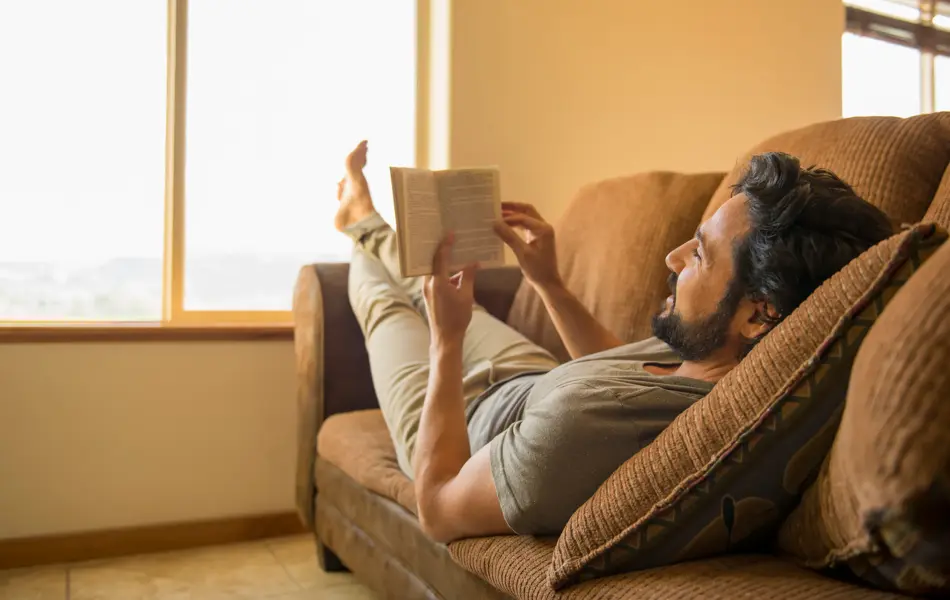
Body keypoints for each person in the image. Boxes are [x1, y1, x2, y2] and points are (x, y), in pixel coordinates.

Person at [333, 140, 893, 543]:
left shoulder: (582, 432)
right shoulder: (716, 354)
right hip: (528, 372)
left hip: (462, 412)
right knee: (421, 282)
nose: (672, 260)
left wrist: (446, 346)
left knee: (379, 296)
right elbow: (609, 374)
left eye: (699, 255)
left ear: (759, 315)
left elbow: (436, 508)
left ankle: (360, 222)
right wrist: (547, 282)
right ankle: (364, 218)